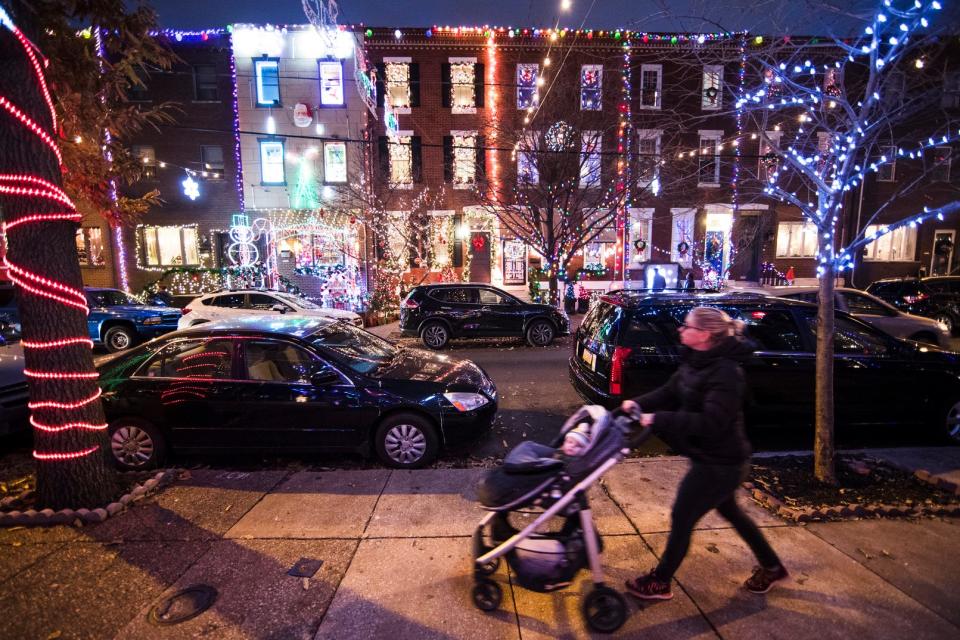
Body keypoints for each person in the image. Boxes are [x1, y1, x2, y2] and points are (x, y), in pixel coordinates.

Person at [621, 306, 787, 599]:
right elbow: (669, 392)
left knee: (682, 515)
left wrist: (658, 419)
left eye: (687, 327)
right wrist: (632, 405)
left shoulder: (727, 373)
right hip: (711, 457)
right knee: (731, 512)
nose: (681, 331)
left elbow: (710, 423)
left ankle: (660, 581)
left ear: (705, 335)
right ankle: (772, 566)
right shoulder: (696, 361)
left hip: (721, 463)